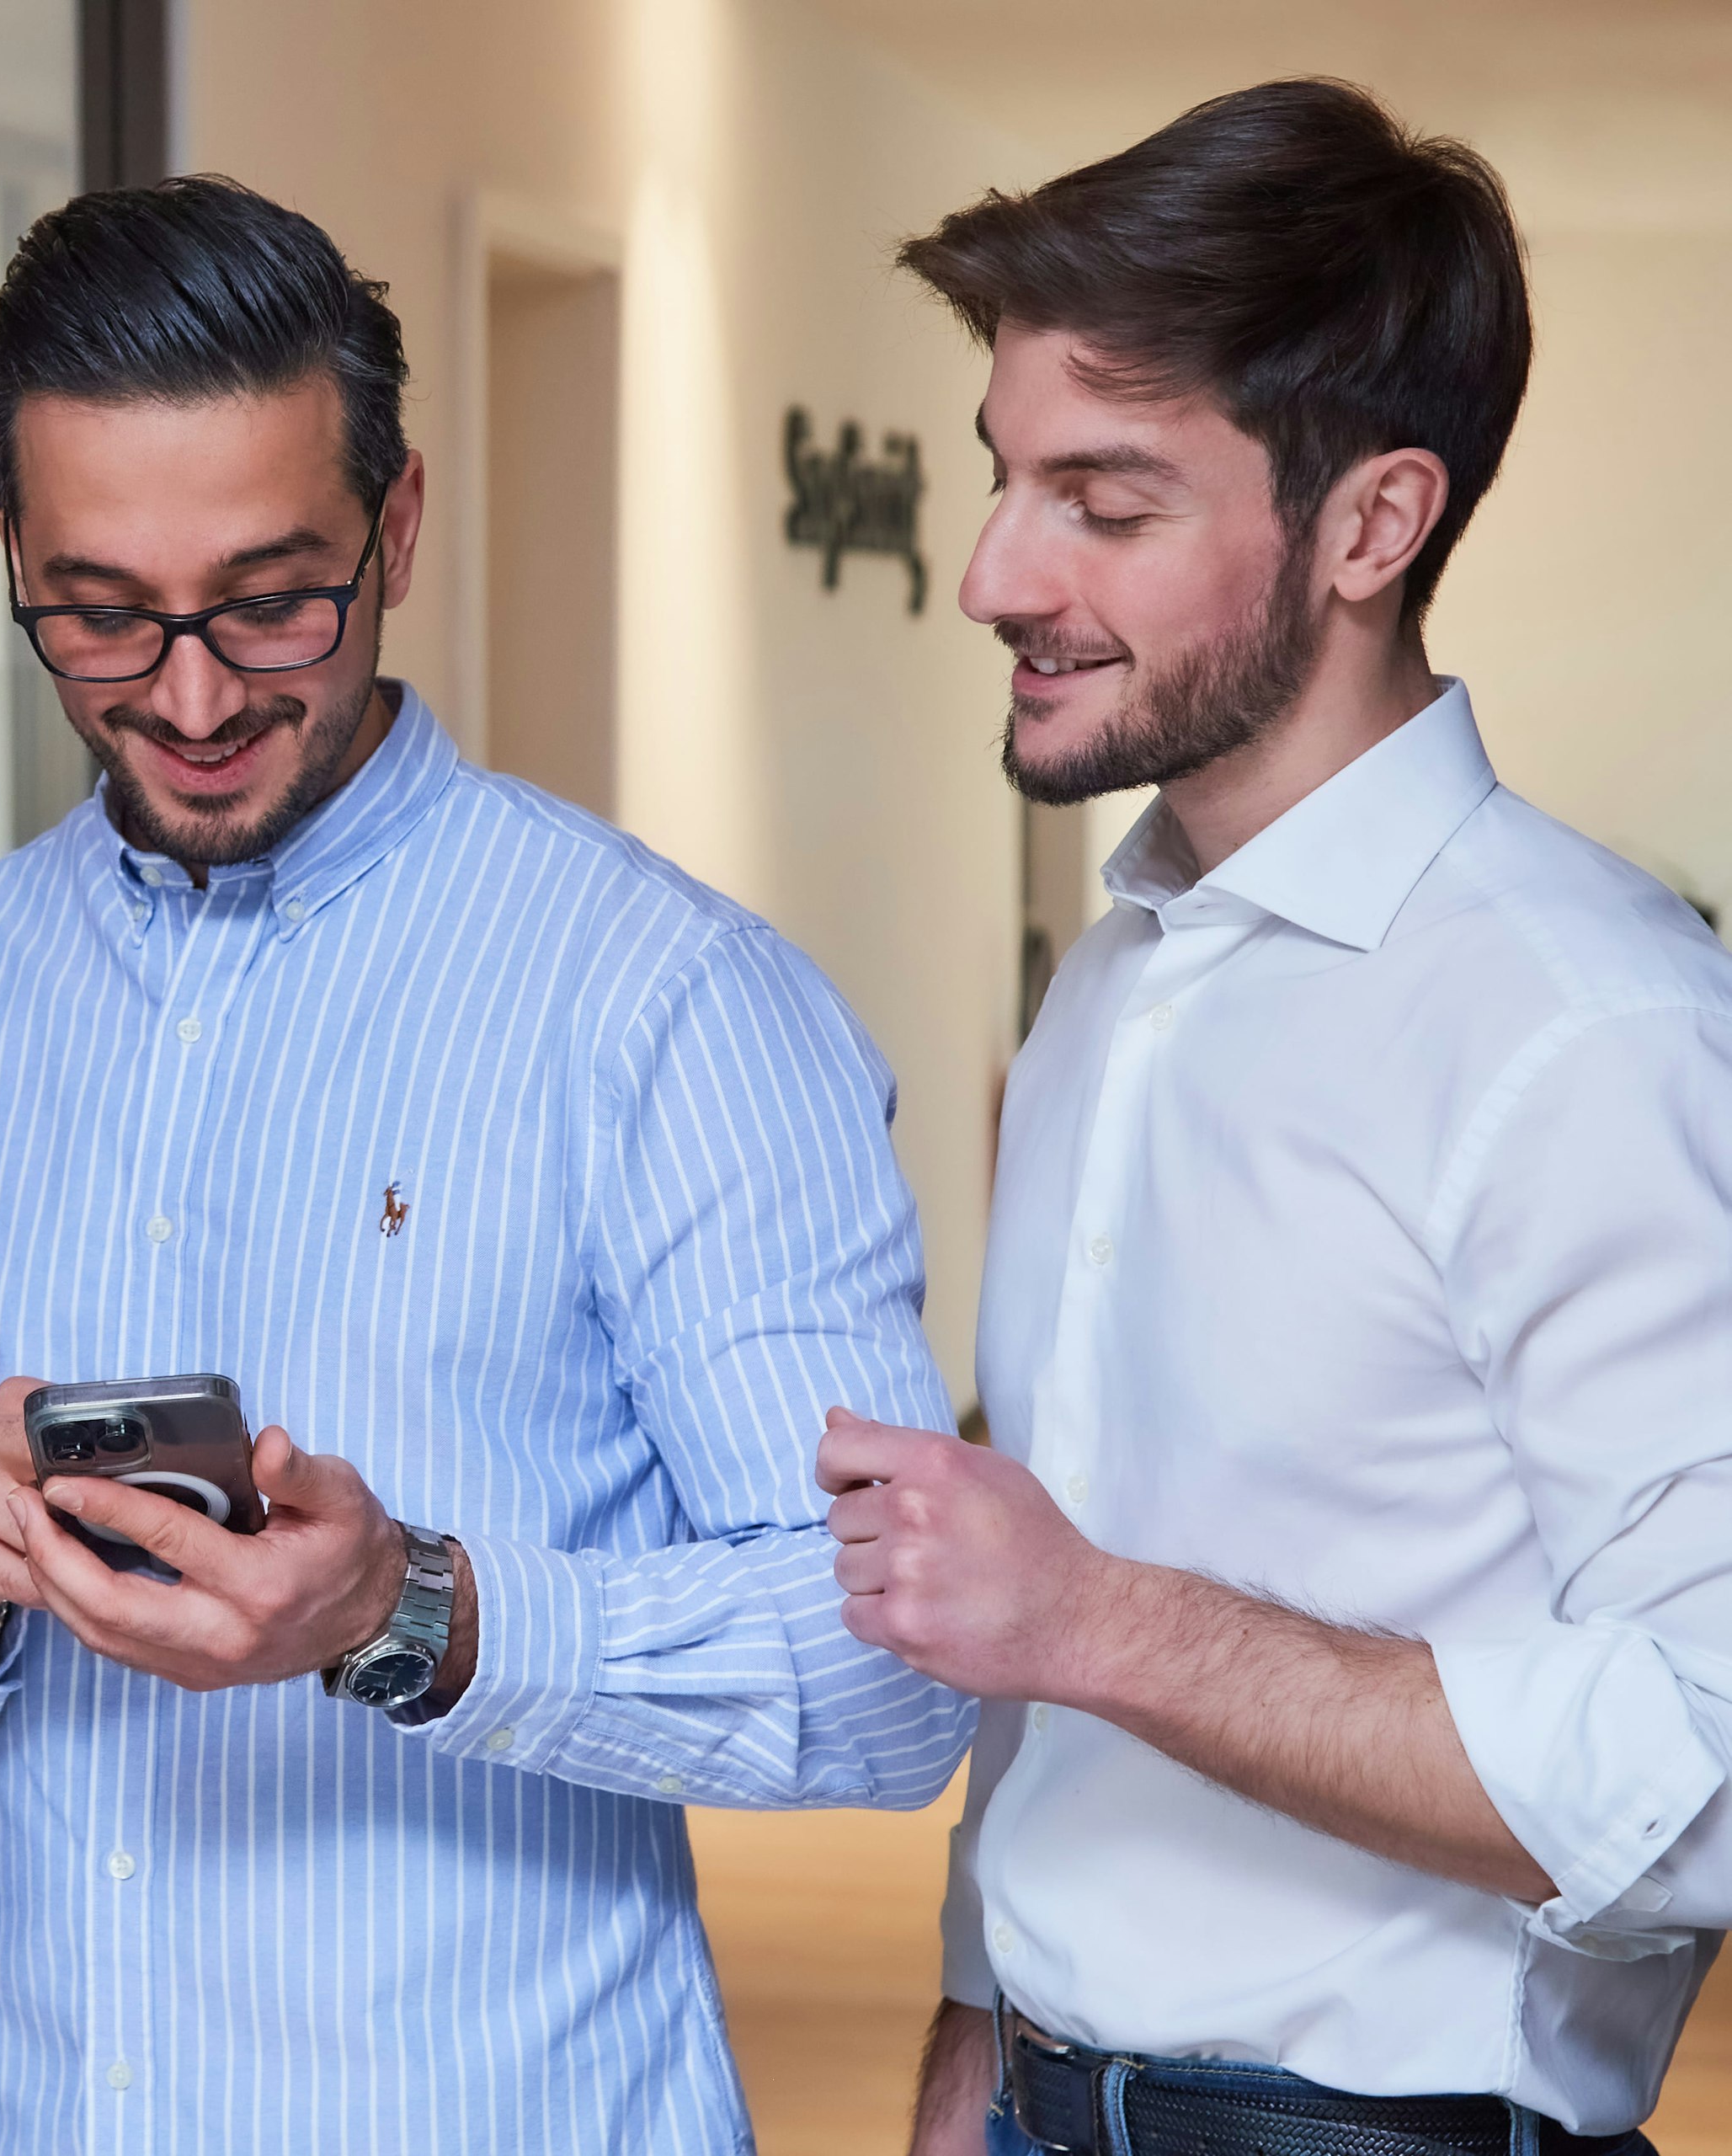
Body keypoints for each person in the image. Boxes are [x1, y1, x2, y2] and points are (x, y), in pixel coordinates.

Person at [0, 174, 975, 2148]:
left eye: (272, 596)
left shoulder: (667, 1008)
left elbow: (894, 1678)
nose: (196, 696)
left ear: (396, 525)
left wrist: (409, 1610)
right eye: (102, 613)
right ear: (9, 549)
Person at [821, 77, 1732, 2156]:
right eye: (1003, 479)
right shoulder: (1114, 982)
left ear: (1371, 524)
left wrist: (1098, 1616)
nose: (989, 574)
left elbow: (1716, 1762)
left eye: (1103, 502)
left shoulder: (1591, 1030)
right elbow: (1040, 1643)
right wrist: (976, 2045)